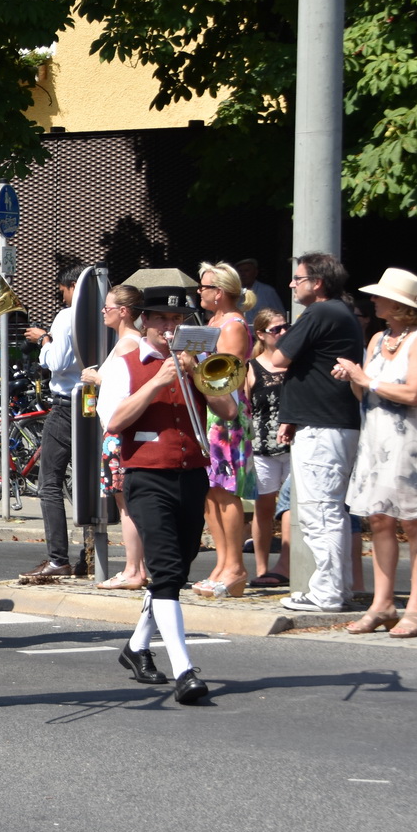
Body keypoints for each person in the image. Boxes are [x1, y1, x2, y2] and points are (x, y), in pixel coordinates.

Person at [97, 284, 236, 703]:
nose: (170, 328)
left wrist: (197, 374)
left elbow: (229, 413)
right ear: (144, 321)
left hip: (191, 472)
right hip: (146, 475)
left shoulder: (196, 362)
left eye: (177, 320)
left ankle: (137, 646)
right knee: (168, 569)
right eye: (161, 319)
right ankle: (184, 670)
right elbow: (114, 419)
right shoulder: (126, 363)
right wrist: (157, 381)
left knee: (179, 563)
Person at [336, 270, 417, 638]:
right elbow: (366, 395)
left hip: (409, 445)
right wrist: (353, 378)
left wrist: (367, 380)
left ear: (399, 305)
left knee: (413, 522)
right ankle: (383, 604)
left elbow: (414, 393)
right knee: (378, 519)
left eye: (380, 297)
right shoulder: (378, 338)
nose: (373, 302)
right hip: (376, 441)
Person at [259, 253, 363, 612]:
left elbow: (278, 359)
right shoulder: (338, 312)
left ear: (317, 282)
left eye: (298, 278)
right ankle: (337, 587)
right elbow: (313, 370)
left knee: (320, 511)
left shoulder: (320, 312)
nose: (292, 283)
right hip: (324, 422)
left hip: (325, 427)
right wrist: (292, 416)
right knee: (328, 509)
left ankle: (328, 592)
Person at [192, 262, 255, 598]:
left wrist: (194, 363)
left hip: (226, 415)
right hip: (208, 412)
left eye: (204, 287)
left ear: (219, 292)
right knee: (210, 490)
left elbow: (226, 375)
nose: (199, 292)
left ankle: (234, 567)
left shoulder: (232, 325)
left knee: (225, 489)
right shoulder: (212, 322)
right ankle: (222, 563)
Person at [81, 283, 149, 590]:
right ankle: (137, 567)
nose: (103, 312)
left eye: (108, 307)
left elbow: (128, 383)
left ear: (123, 311)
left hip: (119, 432)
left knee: (127, 505)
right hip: (116, 430)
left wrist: (96, 378)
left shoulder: (128, 343)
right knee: (126, 503)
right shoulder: (126, 341)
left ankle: (134, 569)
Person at [21, 267, 83, 576]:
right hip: (92, 402)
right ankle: (88, 553)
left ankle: (58, 558)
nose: (62, 295)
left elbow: (57, 362)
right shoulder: (104, 315)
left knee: (49, 483)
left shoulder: (66, 316)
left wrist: (44, 340)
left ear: (73, 286)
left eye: (62, 290)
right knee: (88, 482)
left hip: (66, 403)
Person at [245, 309, 292, 587]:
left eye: (286, 327)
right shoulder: (252, 368)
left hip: (294, 447)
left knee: (290, 510)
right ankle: (263, 568)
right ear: (261, 334)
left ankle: (286, 565)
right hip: (262, 447)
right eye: (276, 329)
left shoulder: (294, 363)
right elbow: (246, 408)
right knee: (264, 508)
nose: (283, 333)